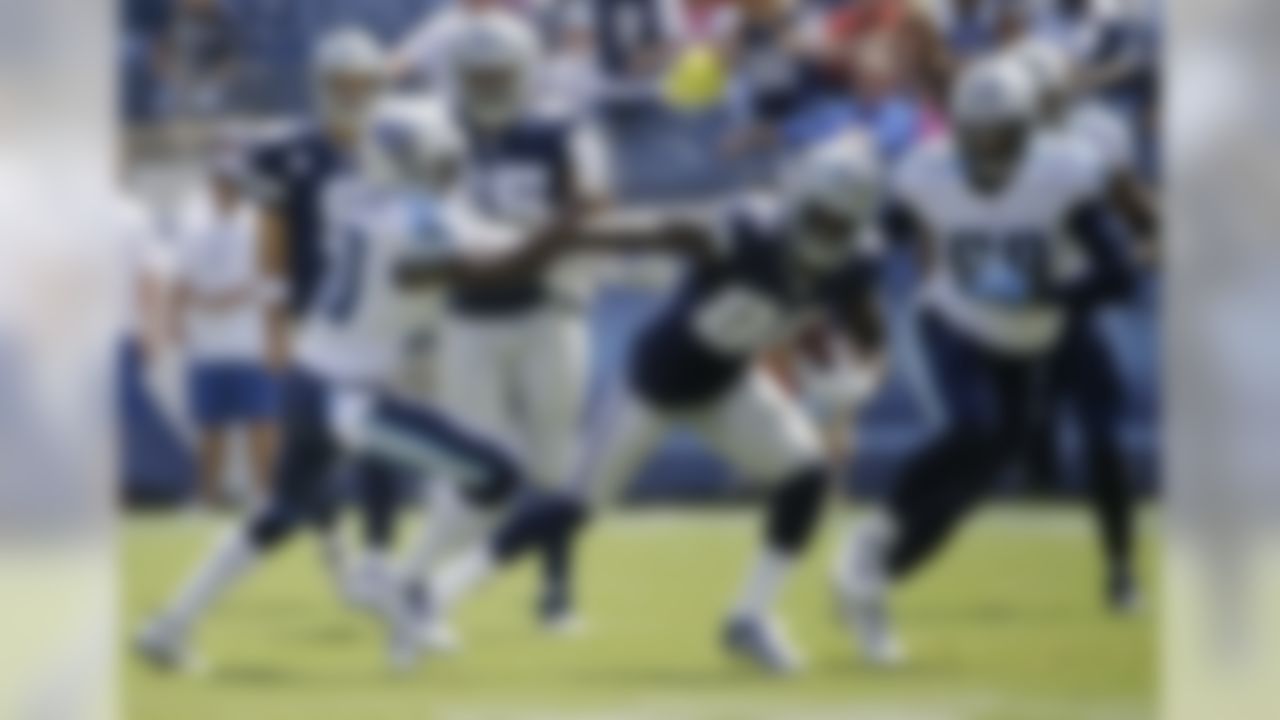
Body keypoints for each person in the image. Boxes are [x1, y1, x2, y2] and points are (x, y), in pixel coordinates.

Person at [405, 134, 887, 675]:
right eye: (820, 217)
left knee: (806, 477)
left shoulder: (855, 263)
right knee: (577, 505)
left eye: (840, 224)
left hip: (727, 384)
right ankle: (437, 593)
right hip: (653, 382)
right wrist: (559, 236)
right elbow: (650, 231)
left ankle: (750, 616)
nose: (827, 233)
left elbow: (871, 338)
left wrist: (858, 384)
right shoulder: (743, 229)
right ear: (798, 199)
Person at [134, 94, 582, 671]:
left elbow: (488, 237)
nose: (452, 169)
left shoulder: (371, 204)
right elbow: (498, 264)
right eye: (443, 159)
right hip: (352, 399)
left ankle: (170, 626)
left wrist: (569, 235)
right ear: (420, 160)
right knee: (494, 476)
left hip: (309, 379)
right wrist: (570, 231)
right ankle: (407, 590)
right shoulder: (418, 217)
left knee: (278, 516)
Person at [834, 59, 1137, 665]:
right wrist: (852, 274)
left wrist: (1049, 295)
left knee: (976, 480)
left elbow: (1120, 274)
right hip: (957, 321)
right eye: (975, 131)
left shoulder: (1062, 173)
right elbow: (882, 236)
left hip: (1031, 336)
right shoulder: (928, 169)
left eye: (1000, 133)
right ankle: (875, 535)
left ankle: (874, 578)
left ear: (1027, 129)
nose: (985, 145)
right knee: (972, 427)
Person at [396, 11, 613, 634]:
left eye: (500, 72)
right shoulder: (437, 131)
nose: (488, 83)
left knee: (554, 463)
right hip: (468, 317)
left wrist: (529, 250)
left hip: (549, 309)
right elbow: (417, 219)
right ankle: (420, 591)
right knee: (467, 466)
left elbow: (593, 204)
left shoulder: (560, 128)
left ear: (526, 72)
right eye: (477, 73)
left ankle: (556, 595)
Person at [245, 27, 399, 606]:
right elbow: (271, 251)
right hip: (317, 323)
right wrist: (273, 328)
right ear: (321, 85)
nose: (354, 93)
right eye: (343, 83)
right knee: (312, 452)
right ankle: (336, 549)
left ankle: (380, 560)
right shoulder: (287, 152)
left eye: (364, 83)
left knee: (382, 441)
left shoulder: (398, 144)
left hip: (381, 320)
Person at [1011, 38, 1155, 611]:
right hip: (1012, 308)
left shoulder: (1089, 146)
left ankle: (1120, 569)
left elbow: (1141, 219)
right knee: (1004, 440)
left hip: (1070, 305)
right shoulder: (988, 144)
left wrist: (1131, 255)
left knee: (1102, 437)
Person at [172, 146, 277, 508]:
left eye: (232, 181)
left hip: (250, 341)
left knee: (261, 421)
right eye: (219, 180)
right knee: (209, 425)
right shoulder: (193, 222)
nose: (225, 187)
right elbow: (180, 276)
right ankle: (207, 496)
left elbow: (266, 278)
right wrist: (177, 317)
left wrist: (220, 300)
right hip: (207, 342)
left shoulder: (258, 222)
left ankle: (264, 495)